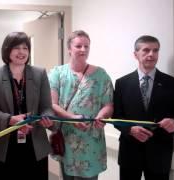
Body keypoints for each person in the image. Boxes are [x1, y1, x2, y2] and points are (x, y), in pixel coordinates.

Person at [0, 31, 54, 180]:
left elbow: (47, 106)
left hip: (34, 144)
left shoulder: (39, 73)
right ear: (7, 50)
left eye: (25, 48)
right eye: (16, 47)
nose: (21, 52)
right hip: (4, 146)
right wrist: (10, 119)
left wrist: (47, 116)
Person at [113, 35, 174, 180]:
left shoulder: (173, 83)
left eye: (155, 50)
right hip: (130, 152)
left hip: (160, 153)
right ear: (135, 54)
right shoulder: (122, 83)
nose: (151, 54)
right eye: (146, 50)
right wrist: (130, 130)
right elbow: (116, 115)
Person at [49, 30, 114, 180]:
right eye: (78, 46)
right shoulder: (57, 73)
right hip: (67, 139)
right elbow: (52, 104)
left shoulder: (101, 75)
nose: (83, 49)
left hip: (91, 140)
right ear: (69, 49)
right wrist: (72, 117)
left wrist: (102, 115)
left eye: (86, 46)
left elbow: (108, 104)